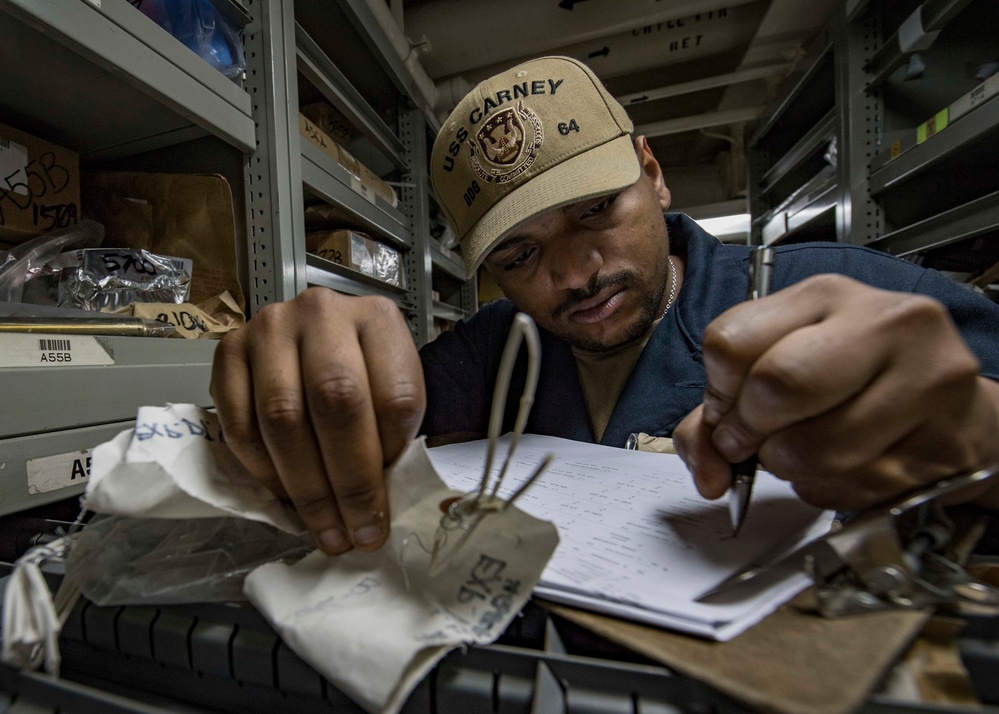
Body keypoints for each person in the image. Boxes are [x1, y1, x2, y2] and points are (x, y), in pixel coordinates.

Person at [210, 56, 999, 556]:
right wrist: (295, 375)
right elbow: (348, 423)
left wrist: (977, 435)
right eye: (518, 256)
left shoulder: (834, 290)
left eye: (593, 212)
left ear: (652, 172)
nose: (574, 274)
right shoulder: (491, 350)